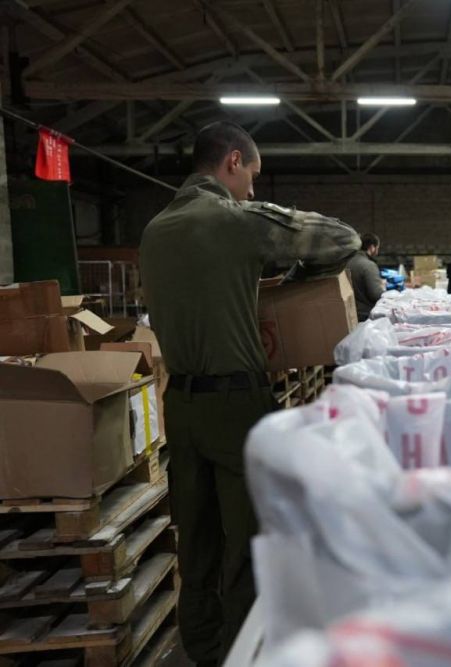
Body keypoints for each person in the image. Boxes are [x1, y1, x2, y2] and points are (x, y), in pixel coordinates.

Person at [139, 121, 360, 666]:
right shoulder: (235, 221)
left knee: (196, 540)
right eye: (253, 176)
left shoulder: (156, 229)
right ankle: (245, 654)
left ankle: (203, 649)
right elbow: (344, 240)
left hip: (181, 407)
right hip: (236, 406)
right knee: (247, 543)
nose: (254, 190)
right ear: (233, 162)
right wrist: (297, 276)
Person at [347, 232, 384, 321]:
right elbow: (376, 294)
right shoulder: (369, 265)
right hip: (365, 316)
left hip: (349, 313)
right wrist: (382, 288)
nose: (377, 251)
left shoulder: (346, 263)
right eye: (377, 248)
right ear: (372, 247)